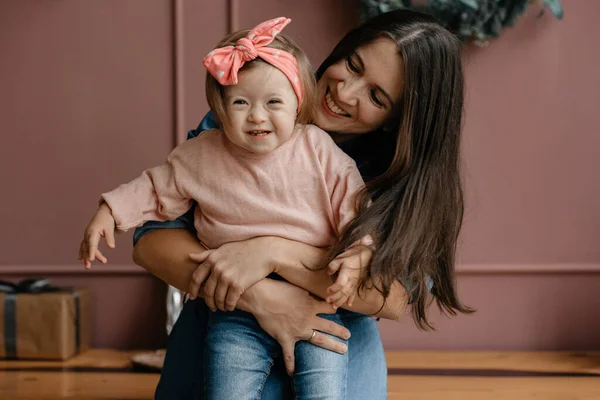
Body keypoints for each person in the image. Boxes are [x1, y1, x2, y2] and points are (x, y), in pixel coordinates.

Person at [131, 8, 472, 400]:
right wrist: (260, 297)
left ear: (399, 119)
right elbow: (151, 243)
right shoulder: (255, 108)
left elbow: (386, 296)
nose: (345, 92)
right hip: (224, 328)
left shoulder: (402, 180)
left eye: (376, 96)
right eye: (353, 65)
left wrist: (272, 254)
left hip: (333, 339)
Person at [79, 17, 379, 400]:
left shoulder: (318, 150)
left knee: (324, 389)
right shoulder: (202, 154)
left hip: (314, 302)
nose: (257, 115)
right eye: (241, 102)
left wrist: (358, 255)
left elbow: (354, 206)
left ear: (297, 105)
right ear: (220, 108)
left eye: (274, 103)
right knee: (228, 389)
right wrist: (109, 211)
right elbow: (155, 187)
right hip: (234, 305)